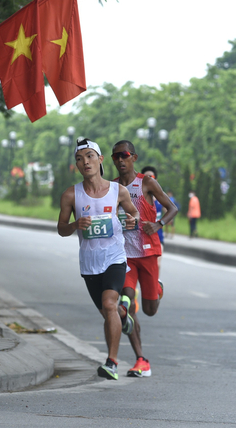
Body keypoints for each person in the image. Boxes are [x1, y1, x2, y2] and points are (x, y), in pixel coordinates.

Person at [57, 138, 139, 381]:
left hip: (114, 256)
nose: (86, 162)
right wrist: (75, 224)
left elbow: (133, 213)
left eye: (90, 156)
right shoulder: (71, 195)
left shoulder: (118, 191)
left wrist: (132, 220)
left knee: (108, 304)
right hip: (90, 262)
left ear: (100, 160)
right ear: (77, 165)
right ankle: (124, 314)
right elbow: (61, 228)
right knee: (108, 312)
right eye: (80, 159)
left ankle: (111, 363)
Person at [112, 140, 178, 377]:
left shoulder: (146, 183)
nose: (120, 160)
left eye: (124, 155)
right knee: (126, 303)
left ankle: (156, 290)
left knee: (149, 310)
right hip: (124, 255)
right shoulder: (112, 187)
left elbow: (172, 208)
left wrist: (158, 224)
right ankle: (141, 359)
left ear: (134, 158)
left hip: (148, 253)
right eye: (116, 157)